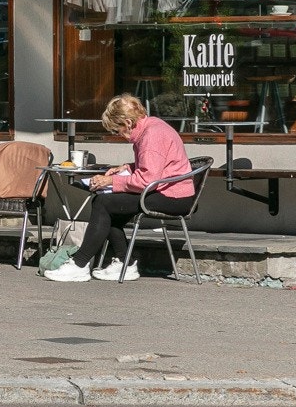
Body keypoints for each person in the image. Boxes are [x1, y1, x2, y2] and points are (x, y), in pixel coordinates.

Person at [43, 94, 196, 283]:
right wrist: (126, 168)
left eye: (118, 130)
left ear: (129, 122)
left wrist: (111, 183)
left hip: (172, 197)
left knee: (104, 203)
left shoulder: (151, 137)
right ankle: (125, 262)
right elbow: (156, 165)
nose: (120, 136)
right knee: (108, 206)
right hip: (171, 191)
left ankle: (79, 264)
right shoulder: (152, 125)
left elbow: (147, 179)